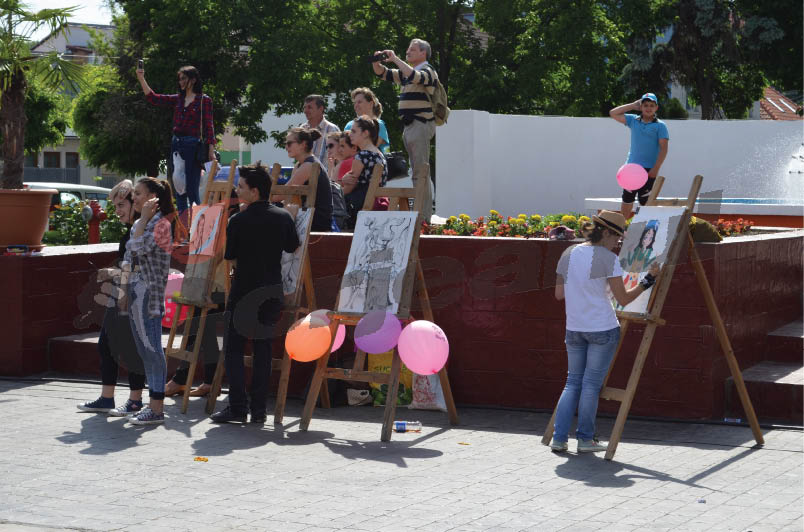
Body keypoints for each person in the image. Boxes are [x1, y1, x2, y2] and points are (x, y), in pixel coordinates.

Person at [551, 210, 660, 453]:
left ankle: (559, 439)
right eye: (617, 237)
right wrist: (648, 281)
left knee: (572, 383)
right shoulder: (608, 258)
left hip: (574, 328)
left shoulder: (568, 253)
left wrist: (584, 290)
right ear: (607, 233)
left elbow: (559, 294)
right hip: (602, 327)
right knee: (590, 385)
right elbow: (623, 298)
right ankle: (585, 439)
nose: (617, 242)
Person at [211, 163, 300, 423]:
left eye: (240, 187)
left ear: (254, 191)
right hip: (271, 290)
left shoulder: (238, 220)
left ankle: (238, 406)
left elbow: (231, 258)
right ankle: (259, 409)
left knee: (234, 349)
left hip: (243, 291)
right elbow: (293, 247)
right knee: (263, 350)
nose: (237, 190)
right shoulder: (283, 217)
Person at [77, 180, 147, 417]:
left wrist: (113, 273)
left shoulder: (140, 230)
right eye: (115, 205)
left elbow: (142, 269)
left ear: (134, 203)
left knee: (130, 348)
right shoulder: (131, 229)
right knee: (106, 345)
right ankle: (107, 398)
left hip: (132, 295)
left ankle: (135, 400)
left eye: (121, 205)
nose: (116, 211)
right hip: (121, 293)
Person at [122, 178, 175, 426]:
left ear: (153, 197)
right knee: (143, 350)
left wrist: (142, 220)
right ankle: (151, 405)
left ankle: (156, 407)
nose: (135, 198)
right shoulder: (139, 224)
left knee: (153, 349)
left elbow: (137, 250)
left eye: (139, 193)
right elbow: (128, 255)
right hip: (134, 291)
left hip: (150, 294)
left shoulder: (161, 224)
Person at [136, 65, 216, 214]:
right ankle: (184, 228)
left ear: (193, 80)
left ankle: (195, 229)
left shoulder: (204, 100)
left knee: (192, 190)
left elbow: (208, 126)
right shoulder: (178, 99)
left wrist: (211, 150)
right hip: (177, 146)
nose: (181, 82)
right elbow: (153, 98)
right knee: (179, 190)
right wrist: (141, 78)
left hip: (193, 146)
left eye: (184, 78)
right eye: (179, 79)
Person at [373, 38, 438, 220]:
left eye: (412, 49)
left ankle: (423, 216)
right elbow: (383, 74)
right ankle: (419, 213)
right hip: (410, 126)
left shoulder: (428, 70)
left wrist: (395, 59)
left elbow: (416, 77)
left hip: (420, 124)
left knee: (420, 171)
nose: (408, 52)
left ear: (423, 53)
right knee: (416, 171)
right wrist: (376, 61)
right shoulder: (407, 72)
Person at [609, 93, 670, 219]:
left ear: (656, 108)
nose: (648, 108)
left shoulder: (660, 125)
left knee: (645, 202)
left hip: (649, 170)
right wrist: (632, 105)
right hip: (631, 169)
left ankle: (644, 231)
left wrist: (656, 168)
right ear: (641, 107)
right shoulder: (633, 120)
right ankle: (621, 229)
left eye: (652, 105)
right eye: (645, 105)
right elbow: (613, 113)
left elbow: (664, 148)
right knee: (627, 199)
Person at [275, 127, 334, 232]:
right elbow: (290, 198)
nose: (286, 147)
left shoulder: (308, 165)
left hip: (316, 222)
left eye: (289, 143)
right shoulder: (300, 165)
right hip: (306, 216)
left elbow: (282, 194)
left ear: (303, 144)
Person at [342, 116, 388, 229]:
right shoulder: (379, 154)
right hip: (377, 201)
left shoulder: (362, 155)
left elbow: (349, 187)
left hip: (361, 204)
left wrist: (335, 193)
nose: (349, 134)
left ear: (365, 133)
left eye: (353, 131)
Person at [343, 87, 390, 154]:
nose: (356, 105)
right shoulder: (349, 125)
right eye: (354, 103)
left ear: (371, 104)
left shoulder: (379, 125)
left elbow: (369, 149)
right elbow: (345, 149)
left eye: (359, 102)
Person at [301, 94, 340, 165]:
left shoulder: (332, 129)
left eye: (309, 107)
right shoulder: (302, 129)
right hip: (304, 174)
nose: (305, 110)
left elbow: (339, 156)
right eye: (304, 107)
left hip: (325, 175)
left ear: (321, 108)